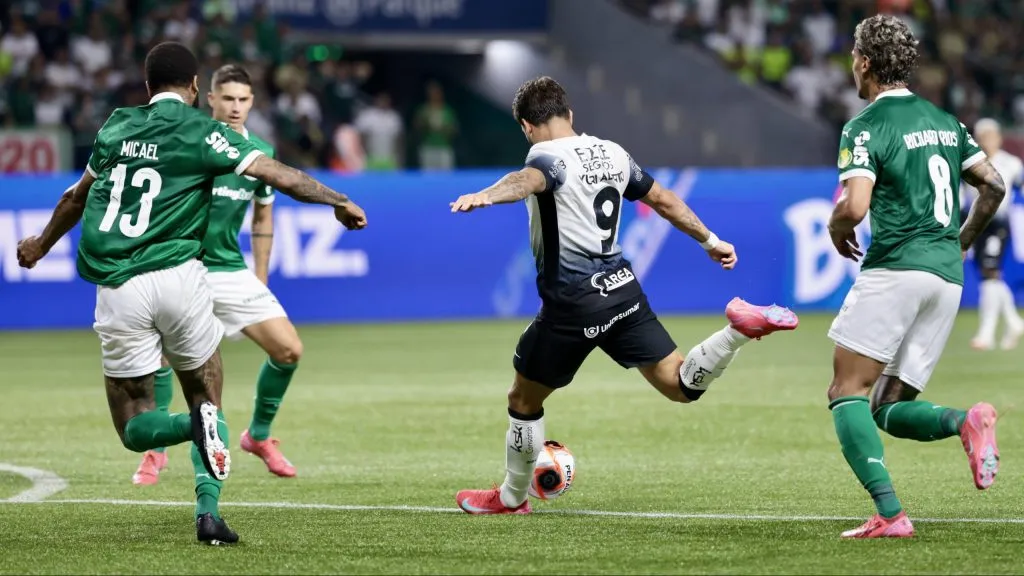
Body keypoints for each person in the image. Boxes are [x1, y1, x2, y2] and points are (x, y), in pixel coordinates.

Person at [15, 42, 367, 544]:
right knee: (207, 393)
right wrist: (339, 199)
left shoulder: (115, 125)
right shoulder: (206, 132)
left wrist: (40, 245)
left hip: (117, 287)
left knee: (135, 427)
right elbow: (277, 174)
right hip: (181, 280)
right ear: (197, 88)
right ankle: (209, 512)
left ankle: (186, 428)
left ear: (146, 85)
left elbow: (77, 197)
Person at [450, 76, 799, 515]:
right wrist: (711, 241)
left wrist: (485, 195)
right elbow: (663, 199)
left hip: (573, 304)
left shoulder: (544, 155)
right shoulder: (612, 152)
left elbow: (526, 180)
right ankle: (737, 332)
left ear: (525, 125)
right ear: (570, 114)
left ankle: (511, 498)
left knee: (522, 399)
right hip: (621, 291)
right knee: (680, 385)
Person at [826, 15, 1004, 539]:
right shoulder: (945, 121)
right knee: (886, 406)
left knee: (847, 391)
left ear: (863, 62)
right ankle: (962, 422)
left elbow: (855, 206)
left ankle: (889, 513)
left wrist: (836, 226)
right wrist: (959, 244)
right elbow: (992, 186)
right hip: (946, 279)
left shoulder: (865, 126)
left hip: (897, 268)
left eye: (854, 60)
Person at [132, 64, 303, 488]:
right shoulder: (188, 142)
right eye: (227, 98)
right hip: (182, 266)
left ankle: (258, 437)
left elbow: (264, 215)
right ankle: (156, 453)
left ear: (252, 102)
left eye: (243, 99)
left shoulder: (257, 152)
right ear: (208, 98)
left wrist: (260, 276)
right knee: (169, 361)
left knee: (289, 350)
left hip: (230, 270)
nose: (235, 107)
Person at [960, 118, 1024, 351]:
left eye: (990, 136)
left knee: (990, 272)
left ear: (998, 137)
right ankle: (1013, 321)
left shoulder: (1012, 164)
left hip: (999, 225)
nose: (986, 141)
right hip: (976, 226)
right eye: (982, 136)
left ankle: (986, 334)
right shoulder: (970, 163)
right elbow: (962, 196)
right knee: (990, 275)